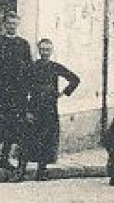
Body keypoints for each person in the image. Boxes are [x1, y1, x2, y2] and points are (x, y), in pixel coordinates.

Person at [20, 38, 81, 181]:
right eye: (42, 50)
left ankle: (42, 171)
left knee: (47, 139)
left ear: (51, 51)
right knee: (28, 138)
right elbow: (24, 89)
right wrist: (27, 110)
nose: (45, 53)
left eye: (47, 50)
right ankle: (21, 170)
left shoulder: (55, 67)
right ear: (38, 51)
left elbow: (75, 79)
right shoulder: (31, 67)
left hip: (49, 107)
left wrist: (64, 93)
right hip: (34, 106)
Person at [0, 12, 34, 172]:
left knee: (12, 126)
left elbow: (28, 68)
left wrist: (26, 90)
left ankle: (5, 159)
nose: (11, 26)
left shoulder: (23, 44)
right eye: (9, 23)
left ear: (17, 25)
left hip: (17, 93)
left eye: (14, 23)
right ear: (3, 24)